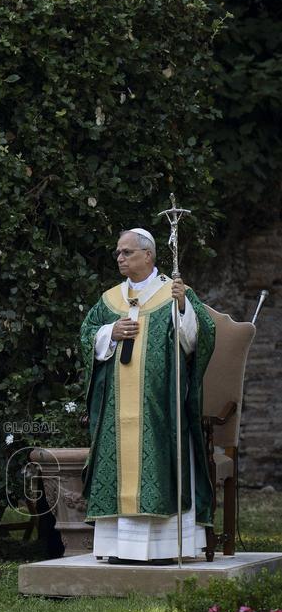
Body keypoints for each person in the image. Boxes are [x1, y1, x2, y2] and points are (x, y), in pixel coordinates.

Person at [80, 227, 215, 563]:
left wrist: (183, 308)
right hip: (116, 408)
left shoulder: (174, 292)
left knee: (158, 464)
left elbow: (200, 339)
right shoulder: (110, 300)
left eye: (127, 252)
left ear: (148, 255)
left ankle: (166, 547)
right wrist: (112, 331)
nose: (120, 258)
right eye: (118, 253)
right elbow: (86, 336)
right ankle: (117, 549)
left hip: (161, 406)